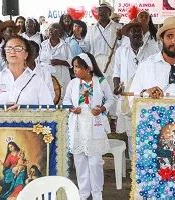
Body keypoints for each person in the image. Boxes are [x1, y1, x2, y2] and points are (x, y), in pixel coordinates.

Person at [64, 52, 114, 200]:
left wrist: (102, 109)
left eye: (78, 67)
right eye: (74, 67)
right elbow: (66, 100)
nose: (74, 70)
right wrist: (72, 108)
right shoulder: (73, 83)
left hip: (95, 124)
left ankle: (97, 193)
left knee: (95, 162)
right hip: (78, 124)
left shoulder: (101, 81)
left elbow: (110, 99)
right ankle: (83, 192)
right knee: (79, 161)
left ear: (88, 68)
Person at [113, 20, 159, 158]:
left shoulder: (153, 50)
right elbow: (116, 73)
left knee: (147, 131)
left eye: (139, 31)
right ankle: (134, 166)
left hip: (147, 98)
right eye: (134, 31)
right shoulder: (121, 51)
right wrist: (116, 86)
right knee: (131, 132)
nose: (137, 33)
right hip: (128, 97)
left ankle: (147, 162)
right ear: (128, 34)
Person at [0, 35, 53, 106]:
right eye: (8, 48)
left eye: (18, 48)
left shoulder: (37, 81)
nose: (12, 51)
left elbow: (48, 110)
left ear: (26, 54)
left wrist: (24, 113)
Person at [85, 2, 122, 131]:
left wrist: (121, 37)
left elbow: (121, 46)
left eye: (104, 11)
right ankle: (99, 117)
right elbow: (87, 47)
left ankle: (113, 119)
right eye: (99, 12)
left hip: (112, 61)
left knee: (111, 89)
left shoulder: (117, 27)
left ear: (109, 13)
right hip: (96, 61)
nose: (100, 14)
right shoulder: (91, 29)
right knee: (97, 89)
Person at [40, 23, 72, 101]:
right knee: (48, 97)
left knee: (61, 97)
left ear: (59, 32)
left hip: (61, 76)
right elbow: (38, 61)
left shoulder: (65, 45)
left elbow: (71, 62)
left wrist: (59, 62)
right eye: (49, 29)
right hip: (47, 76)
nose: (51, 31)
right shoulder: (43, 45)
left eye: (54, 30)